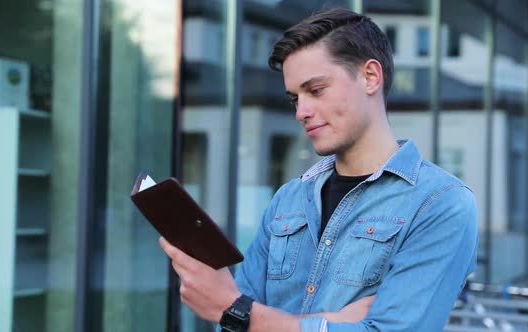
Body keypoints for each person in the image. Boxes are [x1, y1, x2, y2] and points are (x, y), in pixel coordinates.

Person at [160, 7, 478, 332]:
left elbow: (234, 312)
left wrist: (238, 312)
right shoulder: (289, 200)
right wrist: (335, 323)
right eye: (294, 98)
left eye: (315, 90)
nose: (301, 111)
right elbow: (231, 324)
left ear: (370, 77)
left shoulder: (441, 203)